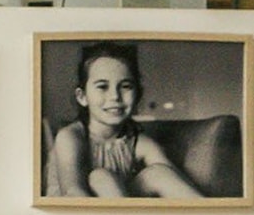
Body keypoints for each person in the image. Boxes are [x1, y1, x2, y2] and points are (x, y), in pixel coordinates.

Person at [44, 44, 203, 201]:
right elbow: (73, 193)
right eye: (102, 86)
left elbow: (173, 180)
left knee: (159, 173)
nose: (115, 96)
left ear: (137, 96)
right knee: (100, 177)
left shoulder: (138, 143)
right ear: (82, 97)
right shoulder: (71, 137)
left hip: (121, 208)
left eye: (125, 86)